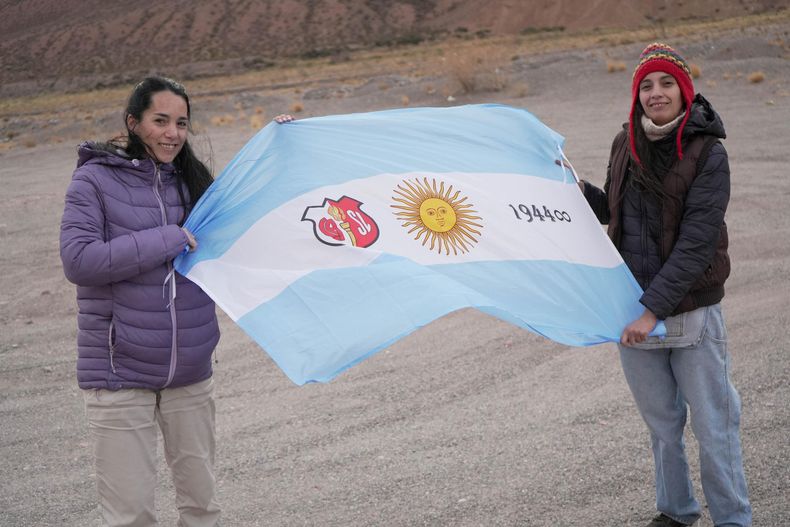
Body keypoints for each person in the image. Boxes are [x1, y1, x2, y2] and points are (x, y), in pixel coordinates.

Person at [578, 43, 751, 527]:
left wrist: (652, 310)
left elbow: (697, 244)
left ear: (684, 91)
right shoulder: (624, 144)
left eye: (666, 83)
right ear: (637, 95)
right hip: (635, 313)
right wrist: (573, 188)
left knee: (715, 425)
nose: (656, 93)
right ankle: (676, 512)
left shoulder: (708, 153)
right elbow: (614, 213)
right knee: (662, 425)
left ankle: (733, 519)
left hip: (689, 314)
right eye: (646, 86)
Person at [60, 76, 221, 526]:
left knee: (202, 508)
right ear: (133, 122)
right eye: (160, 121)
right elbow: (79, 261)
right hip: (118, 372)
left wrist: (281, 142)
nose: (173, 133)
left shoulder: (194, 184)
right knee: (130, 515)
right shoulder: (93, 181)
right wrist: (165, 239)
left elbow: (251, 216)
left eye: (182, 123)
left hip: (189, 371)